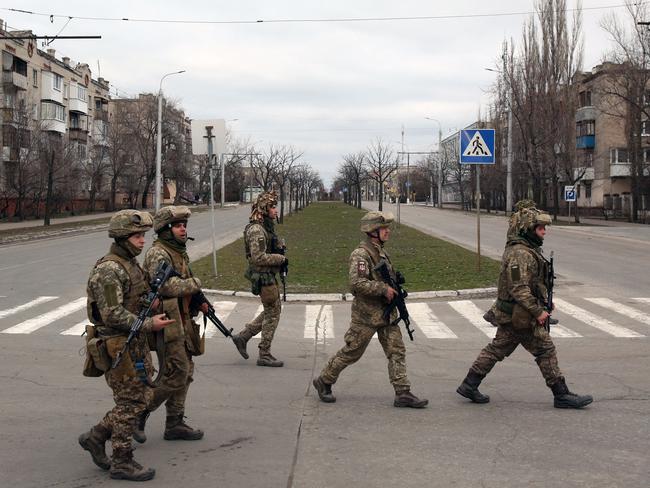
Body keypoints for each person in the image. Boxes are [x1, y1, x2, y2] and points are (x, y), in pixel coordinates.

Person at [457, 207, 593, 409]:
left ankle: (470, 384)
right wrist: (538, 311)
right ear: (528, 230)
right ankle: (561, 395)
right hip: (519, 315)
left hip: (516, 314)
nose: (544, 232)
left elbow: (530, 284)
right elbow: (518, 288)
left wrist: (544, 301)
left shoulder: (526, 250)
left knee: (497, 349)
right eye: (540, 228)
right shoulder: (519, 254)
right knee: (545, 349)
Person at [79, 209, 173, 481]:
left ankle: (96, 436)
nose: (142, 241)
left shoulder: (130, 264)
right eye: (136, 236)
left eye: (143, 235)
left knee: (140, 398)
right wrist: (148, 324)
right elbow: (112, 313)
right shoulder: (109, 270)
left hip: (134, 342)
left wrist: (150, 303)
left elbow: (133, 300)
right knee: (129, 403)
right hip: (118, 344)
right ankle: (122, 461)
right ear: (121, 237)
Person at [312, 211, 428, 408]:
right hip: (366, 315)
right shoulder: (361, 254)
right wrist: (383, 289)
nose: (388, 232)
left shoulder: (380, 251)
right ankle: (324, 380)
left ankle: (403, 392)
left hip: (386, 313)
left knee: (396, 350)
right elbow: (356, 283)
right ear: (373, 231)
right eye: (384, 228)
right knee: (352, 352)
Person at [134, 206, 207, 444]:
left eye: (184, 225)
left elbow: (183, 280)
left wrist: (200, 300)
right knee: (177, 373)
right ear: (166, 230)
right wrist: (195, 284)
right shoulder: (158, 253)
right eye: (178, 225)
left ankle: (174, 422)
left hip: (182, 319)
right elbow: (166, 286)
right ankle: (139, 412)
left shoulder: (178, 252)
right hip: (166, 322)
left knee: (186, 372)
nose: (183, 229)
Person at [231, 191, 287, 367]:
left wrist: (279, 248)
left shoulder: (265, 227)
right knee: (273, 314)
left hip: (268, 276)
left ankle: (244, 336)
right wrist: (280, 259)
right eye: (272, 207)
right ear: (263, 208)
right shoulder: (257, 229)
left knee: (272, 310)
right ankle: (264, 353)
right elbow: (258, 257)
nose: (275, 210)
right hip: (263, 278)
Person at [483, 199, 558, 326]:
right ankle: (494, 313)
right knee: (516, 284)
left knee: (519, 283)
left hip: (525, 249)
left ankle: (494, 313)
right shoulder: (520, 223)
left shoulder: (520, 222)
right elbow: (517, 288)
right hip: (520, 253)